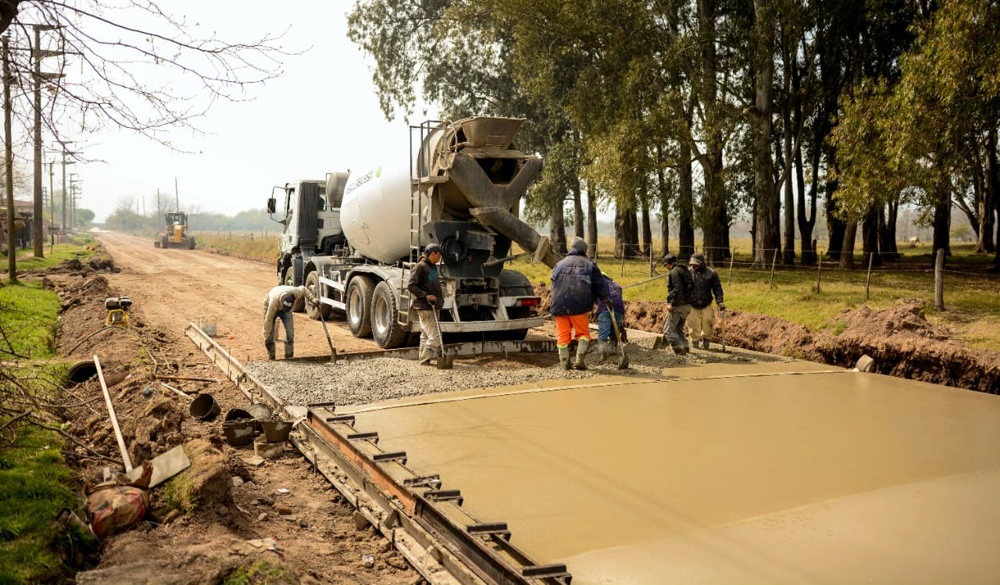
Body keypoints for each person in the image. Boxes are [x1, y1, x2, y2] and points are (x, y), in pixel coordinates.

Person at [551, 237, 607, 370]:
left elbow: (553, 283)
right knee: (583, 334)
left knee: (563, 337)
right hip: (579, 305)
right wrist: (604, 299)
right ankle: (579, 361)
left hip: (559, 305)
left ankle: (564, 364)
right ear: (584, 249)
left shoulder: (559, 264)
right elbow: (599, 284)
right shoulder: (589, 264)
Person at [407, 243, 444, 366]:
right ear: (433, 254)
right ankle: (424, 360)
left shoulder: (432, 266)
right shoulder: (420, 266)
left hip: (431, 306)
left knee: (425, 335)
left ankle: (422, 359)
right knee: (435, 336)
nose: (439, 257)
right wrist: (426, 295)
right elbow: (411, 285)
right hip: (425, 306)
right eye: (439, 255)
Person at [262, 284, 316, 360]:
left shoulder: (295, 292)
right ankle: (271, 356)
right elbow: (268, 321)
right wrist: (266, 337)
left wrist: (312, 299)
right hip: (269, 307)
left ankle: (289, 356)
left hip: (284, 308)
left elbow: (304, 289)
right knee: (270, 333)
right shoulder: (273, 303)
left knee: (290, 332)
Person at [688, 252, 725, 350]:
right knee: (693, 326)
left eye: (696, 264)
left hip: (706, 304)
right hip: (692, 304)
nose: (694, 266)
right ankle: (695, 344)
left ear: (702, 263)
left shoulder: (711, 273)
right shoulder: (688, 273)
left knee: (708, 325)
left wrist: (720, 301)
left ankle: (706, 343)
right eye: (692, 264)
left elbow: (717, 288)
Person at [662, 253, 693, 355]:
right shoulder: (685, 270)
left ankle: (679, 351)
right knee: (678, 329)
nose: (666, 268)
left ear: (668, 264)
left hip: (678, 305)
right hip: (688, 305)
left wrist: (672, 303)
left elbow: (677, 289)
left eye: (665, 265)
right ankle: (686, 348)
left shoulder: (674, 272)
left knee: (668, 331)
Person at [597, 271, 625, 360]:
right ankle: (612, 349)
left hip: (605, 308)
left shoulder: (599, 282)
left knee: (604, 330)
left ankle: (603, 352)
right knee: (614, 329)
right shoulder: (617, 285)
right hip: (619, 309)